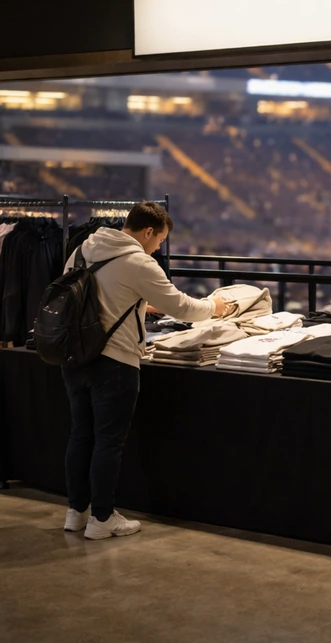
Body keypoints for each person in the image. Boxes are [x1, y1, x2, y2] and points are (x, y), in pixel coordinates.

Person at [61, 202, 226, 540]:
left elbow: (92, 295)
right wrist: (215, 307)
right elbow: (182, 307)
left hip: (75, 358)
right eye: (160, 240)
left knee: (81, 435)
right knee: (108, 441)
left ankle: (76, 512)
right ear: (148, 231)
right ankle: (103, 519)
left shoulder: (83, 250)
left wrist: (137, 302)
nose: (159, 247)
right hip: (115, 362)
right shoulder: (138, 262)